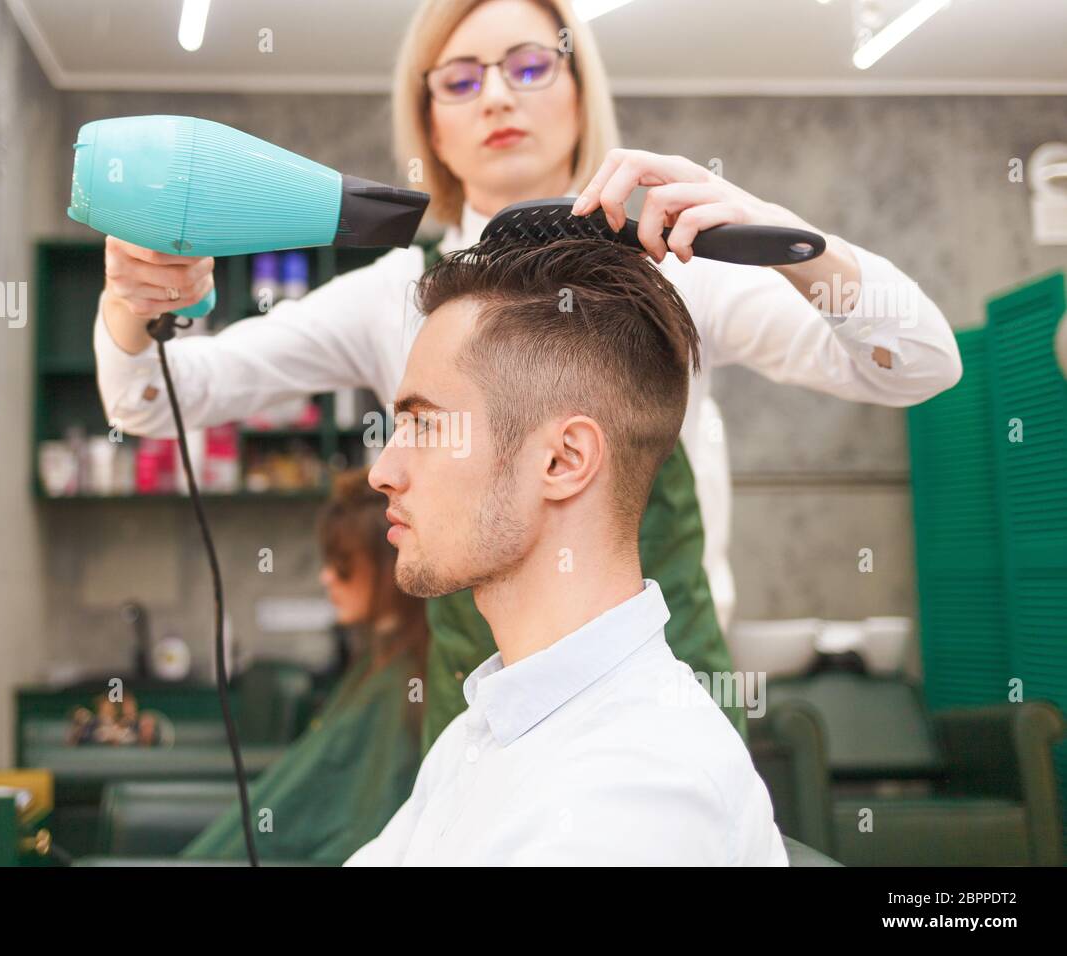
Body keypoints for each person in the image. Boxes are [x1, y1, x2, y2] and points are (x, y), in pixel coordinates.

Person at [92, 0, 961, 752]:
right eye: (461, 79)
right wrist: (135, 305)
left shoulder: (681, 270)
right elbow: (149, 399)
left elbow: (917, 366)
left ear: (582, 93)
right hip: (480, 715)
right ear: (429, 120)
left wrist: (784, 236)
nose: (498, 94)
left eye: (530, 65)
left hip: (665, 693)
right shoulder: (390, 298)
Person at [348, 235, 787, 865]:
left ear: (563, 460)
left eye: (424, 426)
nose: (382, 472)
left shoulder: (636, 796)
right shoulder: (482, 731)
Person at [181, 469, 428, 864]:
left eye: (343, 564)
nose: (326, 576)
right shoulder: (378, 669)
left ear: (389, 562)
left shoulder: (401, 688)